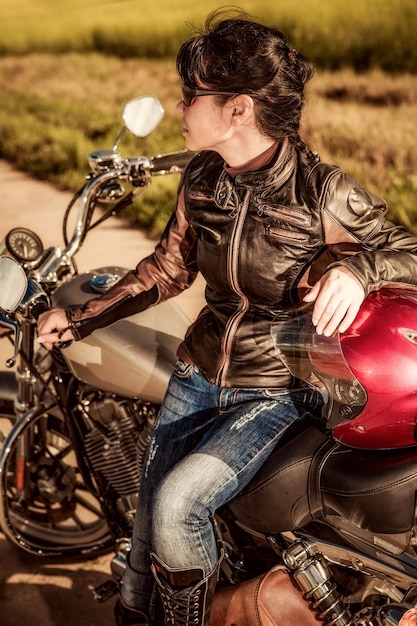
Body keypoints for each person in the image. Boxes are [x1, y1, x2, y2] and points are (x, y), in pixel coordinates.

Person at [37, 9, 417, 626]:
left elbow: (409, 249)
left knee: (176, 506)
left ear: (238, 109)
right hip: (195, 375)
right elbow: (166, 270)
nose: (181, 105)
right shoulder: (203, 178)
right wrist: (80, 319)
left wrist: (358, 270)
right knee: (144, 527)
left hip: (272, 391)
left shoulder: (323, 194)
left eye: (192, 94)